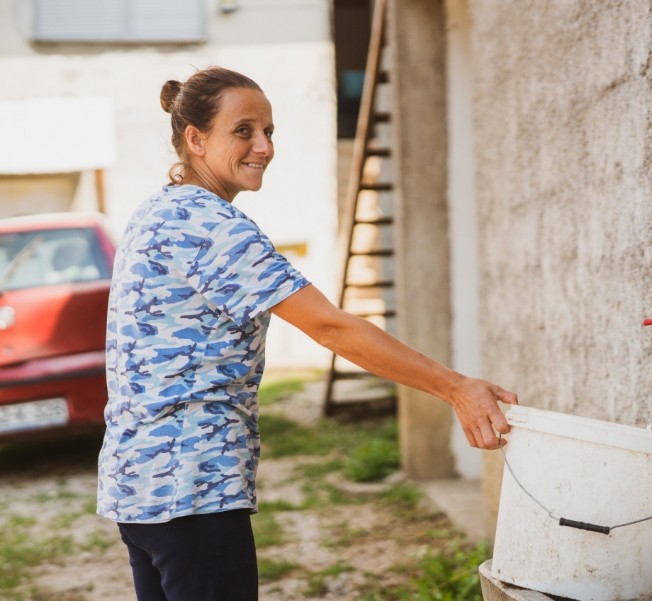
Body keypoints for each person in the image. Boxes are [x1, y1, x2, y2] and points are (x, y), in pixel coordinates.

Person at [96, 66, 517, 601]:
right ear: (195, 140)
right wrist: (455, 388)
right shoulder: (211, 225)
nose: (264, 146)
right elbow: (329, 325)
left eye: (269, 131)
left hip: (139, 489)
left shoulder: (154, 212)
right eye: (244, 131)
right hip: (191, 487)